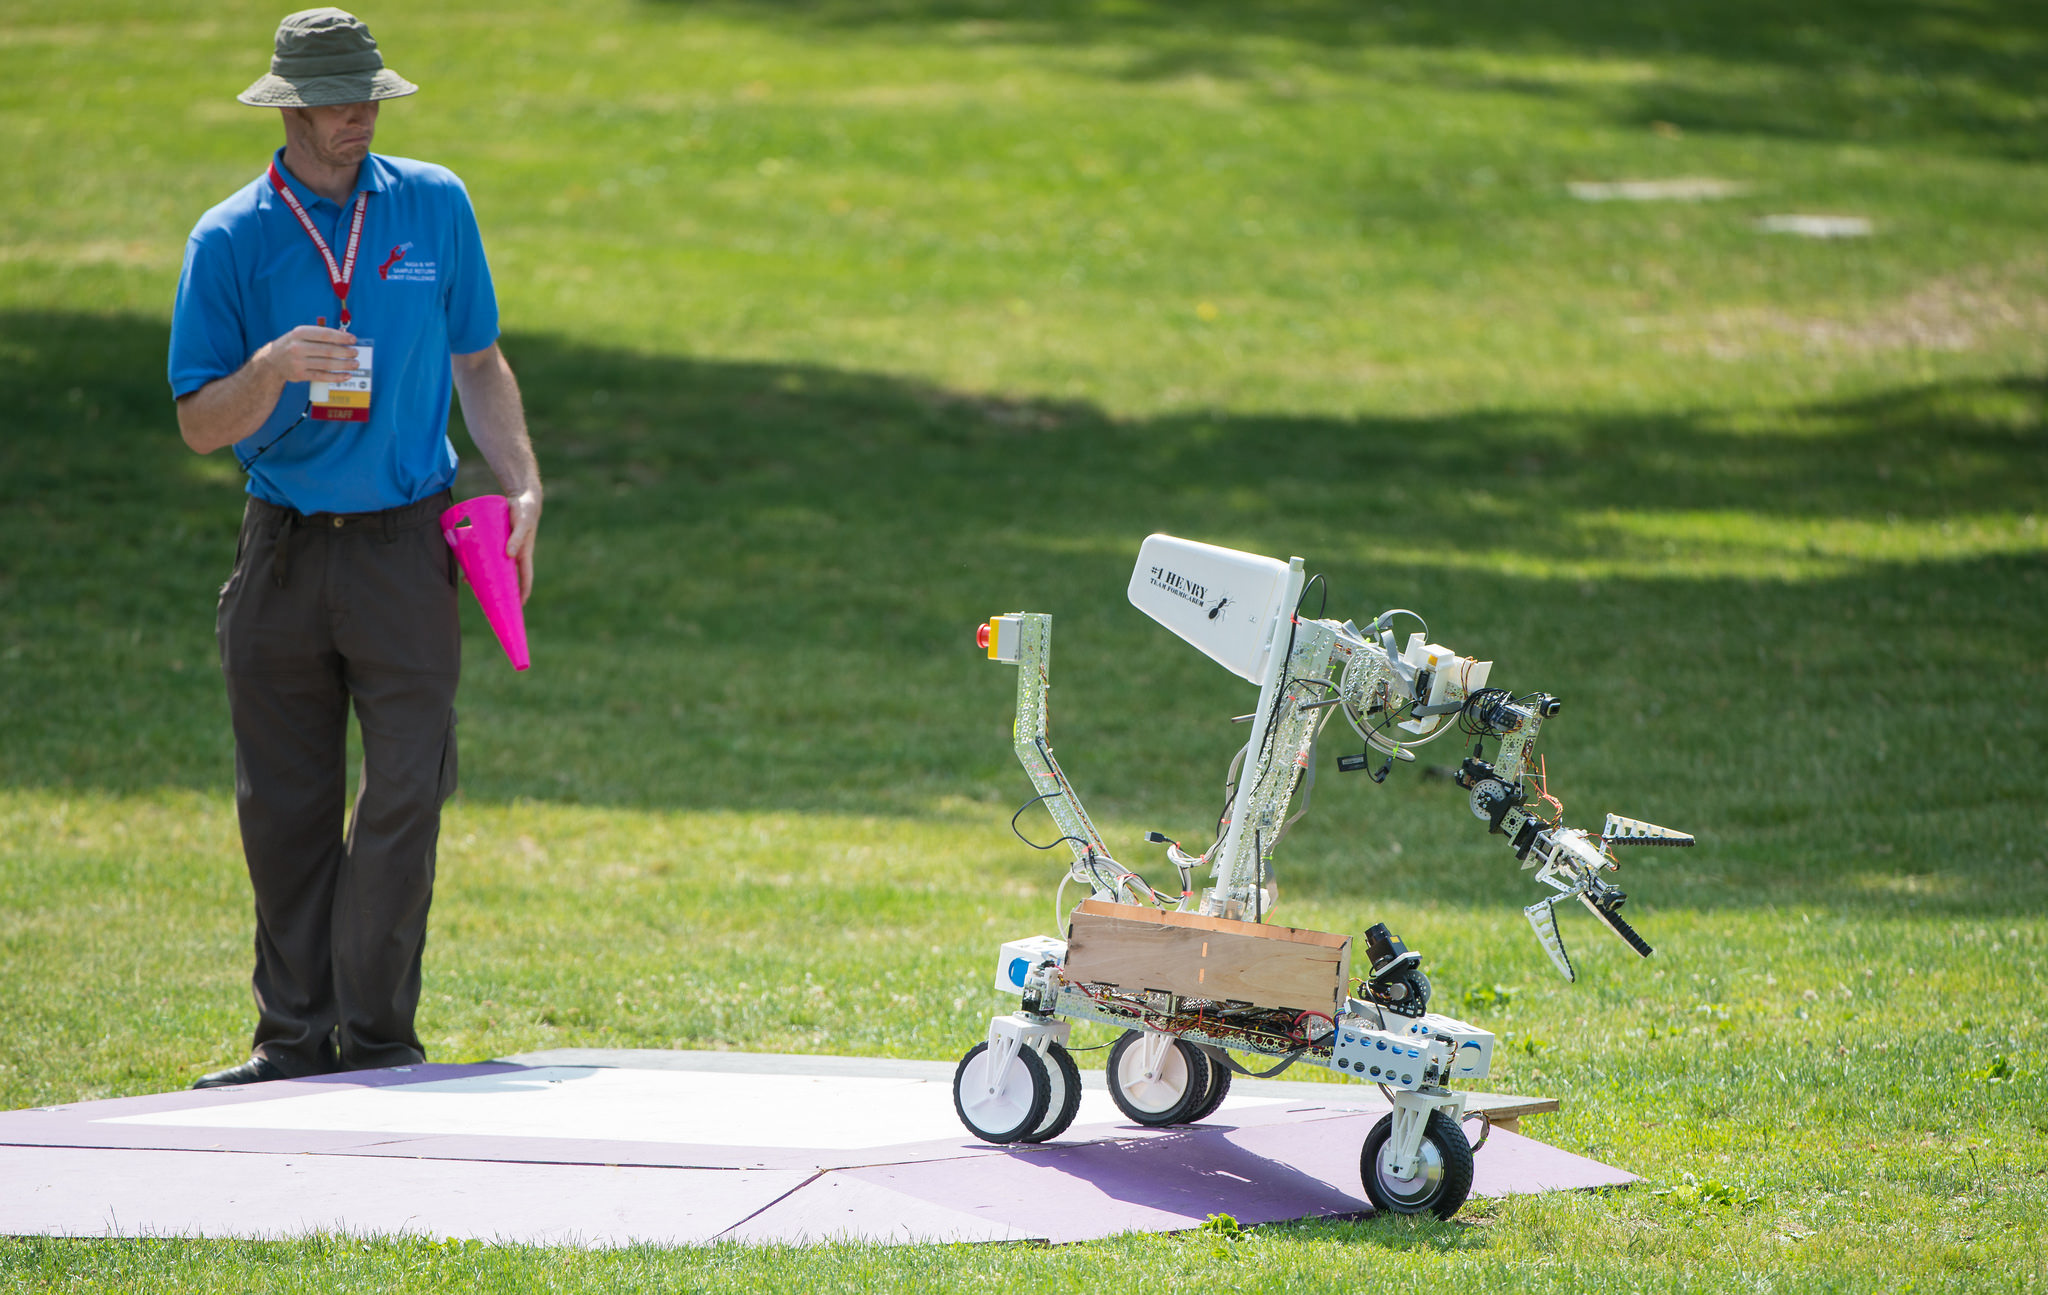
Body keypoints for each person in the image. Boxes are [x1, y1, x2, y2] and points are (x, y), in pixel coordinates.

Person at [168, 8, 542, 1088]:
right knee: (284, 807)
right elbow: (199, 421)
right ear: (287, 108)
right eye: (337, 101)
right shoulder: (229, 239)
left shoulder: (433, 202)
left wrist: (519, 478)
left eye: (369, 96)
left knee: (404, 794)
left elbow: (478, 358)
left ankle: (378, 1040)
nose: (358, 117)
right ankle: (291, 1042)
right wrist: (275, 365)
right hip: (282, 553)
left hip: (403, 551)